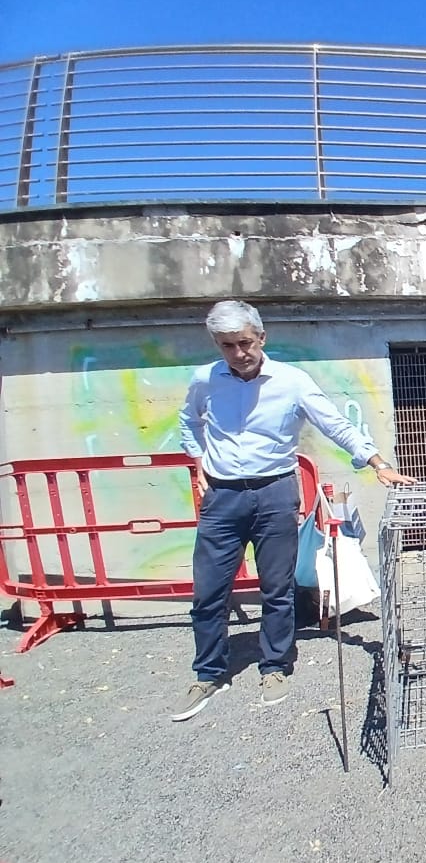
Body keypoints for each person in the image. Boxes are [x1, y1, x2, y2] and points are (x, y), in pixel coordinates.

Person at [172, 300, 413, 722]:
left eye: (245, 342)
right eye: (227, 345)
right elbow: (188, 421)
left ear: (261, 338)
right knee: (208, 591)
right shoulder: (204, 380)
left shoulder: (292, 381)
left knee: (276, 588)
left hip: (274, 494)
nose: (238, 353)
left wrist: (378, 463)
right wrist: (197, 462)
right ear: (217, 344)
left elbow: (334, 423)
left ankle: (275, 667)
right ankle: (208, 673)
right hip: (223, 499)